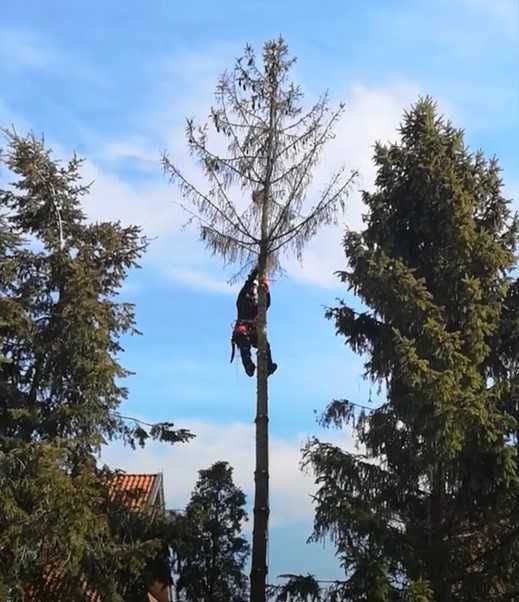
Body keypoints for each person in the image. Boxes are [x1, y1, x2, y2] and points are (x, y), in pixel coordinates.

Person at [230, 267, 277, 377]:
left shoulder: (256, 305)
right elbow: (247, 284)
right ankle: (249, 367)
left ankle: (268, 367)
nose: (253, 289)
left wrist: (267, 290)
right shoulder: (242, 298)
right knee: (244, 344)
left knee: (265, 344)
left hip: (253, 332)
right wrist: (255, 272)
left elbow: (266, 305)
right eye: (252, 287)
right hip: (242, 330)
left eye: (254, 287)